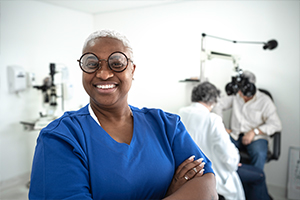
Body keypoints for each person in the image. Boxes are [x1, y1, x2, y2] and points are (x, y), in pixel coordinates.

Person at [28, 30, 218, 200]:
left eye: (116, 63)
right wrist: (170, 192)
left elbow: (207, 189)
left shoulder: (166, 125)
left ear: (132, 70)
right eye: (92, 63)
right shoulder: (60, 138)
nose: (103, 74)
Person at [179, 81, 270, 200]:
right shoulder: (212, 119)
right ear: (213, 101)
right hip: (212, 171)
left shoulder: (182, 113)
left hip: (191, 170)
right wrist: (234, 161)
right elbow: (229, 156)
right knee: (259, 175)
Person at [213, 70, 282, 170]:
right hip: (235, 135)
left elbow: (276, 125)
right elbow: (217, 105)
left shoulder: (265, 101)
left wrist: (254, 132)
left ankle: (255, 182)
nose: (240, 93)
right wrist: (221, 126)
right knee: (217, 145)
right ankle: (225, 182)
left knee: (259, 153)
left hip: (256, 138)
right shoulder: (236, 96)